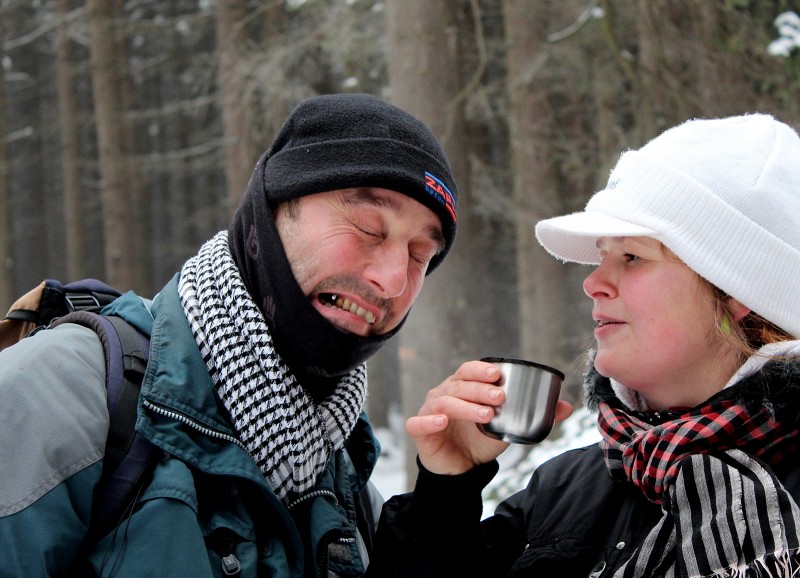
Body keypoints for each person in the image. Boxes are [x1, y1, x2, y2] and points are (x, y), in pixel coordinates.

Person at [0, 93, 459, 577]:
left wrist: (446, 494)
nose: (393, 280)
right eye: (368, 227)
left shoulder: (341, 471)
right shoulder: (62, 396)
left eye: (419, 256)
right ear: (275, 210)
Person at [366, 113, 800, 578]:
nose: (593, 282)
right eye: (602, 256)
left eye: (632, 257)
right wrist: (446, 494)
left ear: (737, 291)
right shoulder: (564, 488)